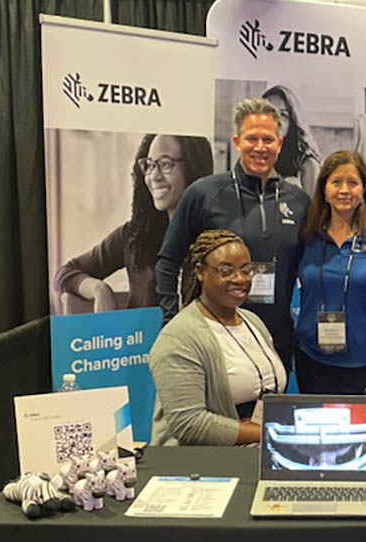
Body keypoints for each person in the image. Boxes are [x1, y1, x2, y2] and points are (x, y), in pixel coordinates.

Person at [156, 97, 310, 370]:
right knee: (216, 413)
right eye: (252, 139)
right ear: (237, 142)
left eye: (268, 139)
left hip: (275, 341)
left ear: (280, 144)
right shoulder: (203, 194)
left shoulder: (298, 201)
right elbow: (168, 262)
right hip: (214, 338)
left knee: (266, 413)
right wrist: (172, 321)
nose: (260, 148)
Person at [149, 230, 285, 446]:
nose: (239, 279)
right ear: (200, 272)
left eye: (246, 270)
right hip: (200, 466)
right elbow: (189, 424)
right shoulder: (179, 338)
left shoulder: (252, 321)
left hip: (256, 451)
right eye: (226, 270)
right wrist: (268, 432)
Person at [54, 134, 213, 313]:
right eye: (149, 165)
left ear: (193, 167)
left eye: (166, 164)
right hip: (144, 340)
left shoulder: (218, 237)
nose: (154, 176)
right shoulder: (134, 235)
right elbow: (65, 273)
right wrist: (99, 289)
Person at [294, 151, 366, 394]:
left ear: (364, 191)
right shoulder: (305, 235)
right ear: (324, 190)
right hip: (313, 359)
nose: (344, 190)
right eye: (336, 182)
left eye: (353, 182)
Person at [262, 85, 322, 197]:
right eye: (269, 113)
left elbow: (315, 212)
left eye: (283, 115)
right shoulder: (257, 157)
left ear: (292, 122)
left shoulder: (307, 163)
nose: (276, 121)